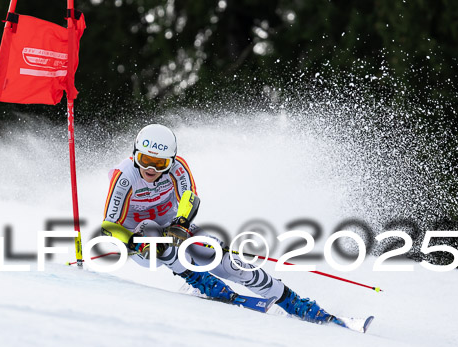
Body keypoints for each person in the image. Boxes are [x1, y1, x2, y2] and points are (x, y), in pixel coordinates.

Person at [101, 123, 336, 324]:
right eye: (144, 160)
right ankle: (200, 282)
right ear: (134, 154)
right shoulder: (125, 176)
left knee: (226, 261)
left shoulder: (178, 167)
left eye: (159, 163)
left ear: (170, 161)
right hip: (139, 239)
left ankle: (294, 303)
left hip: (173, 226)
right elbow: (109, 225)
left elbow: (189, 197)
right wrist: (133, 242)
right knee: (153, 234)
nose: (150, 169)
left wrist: (181, 224)